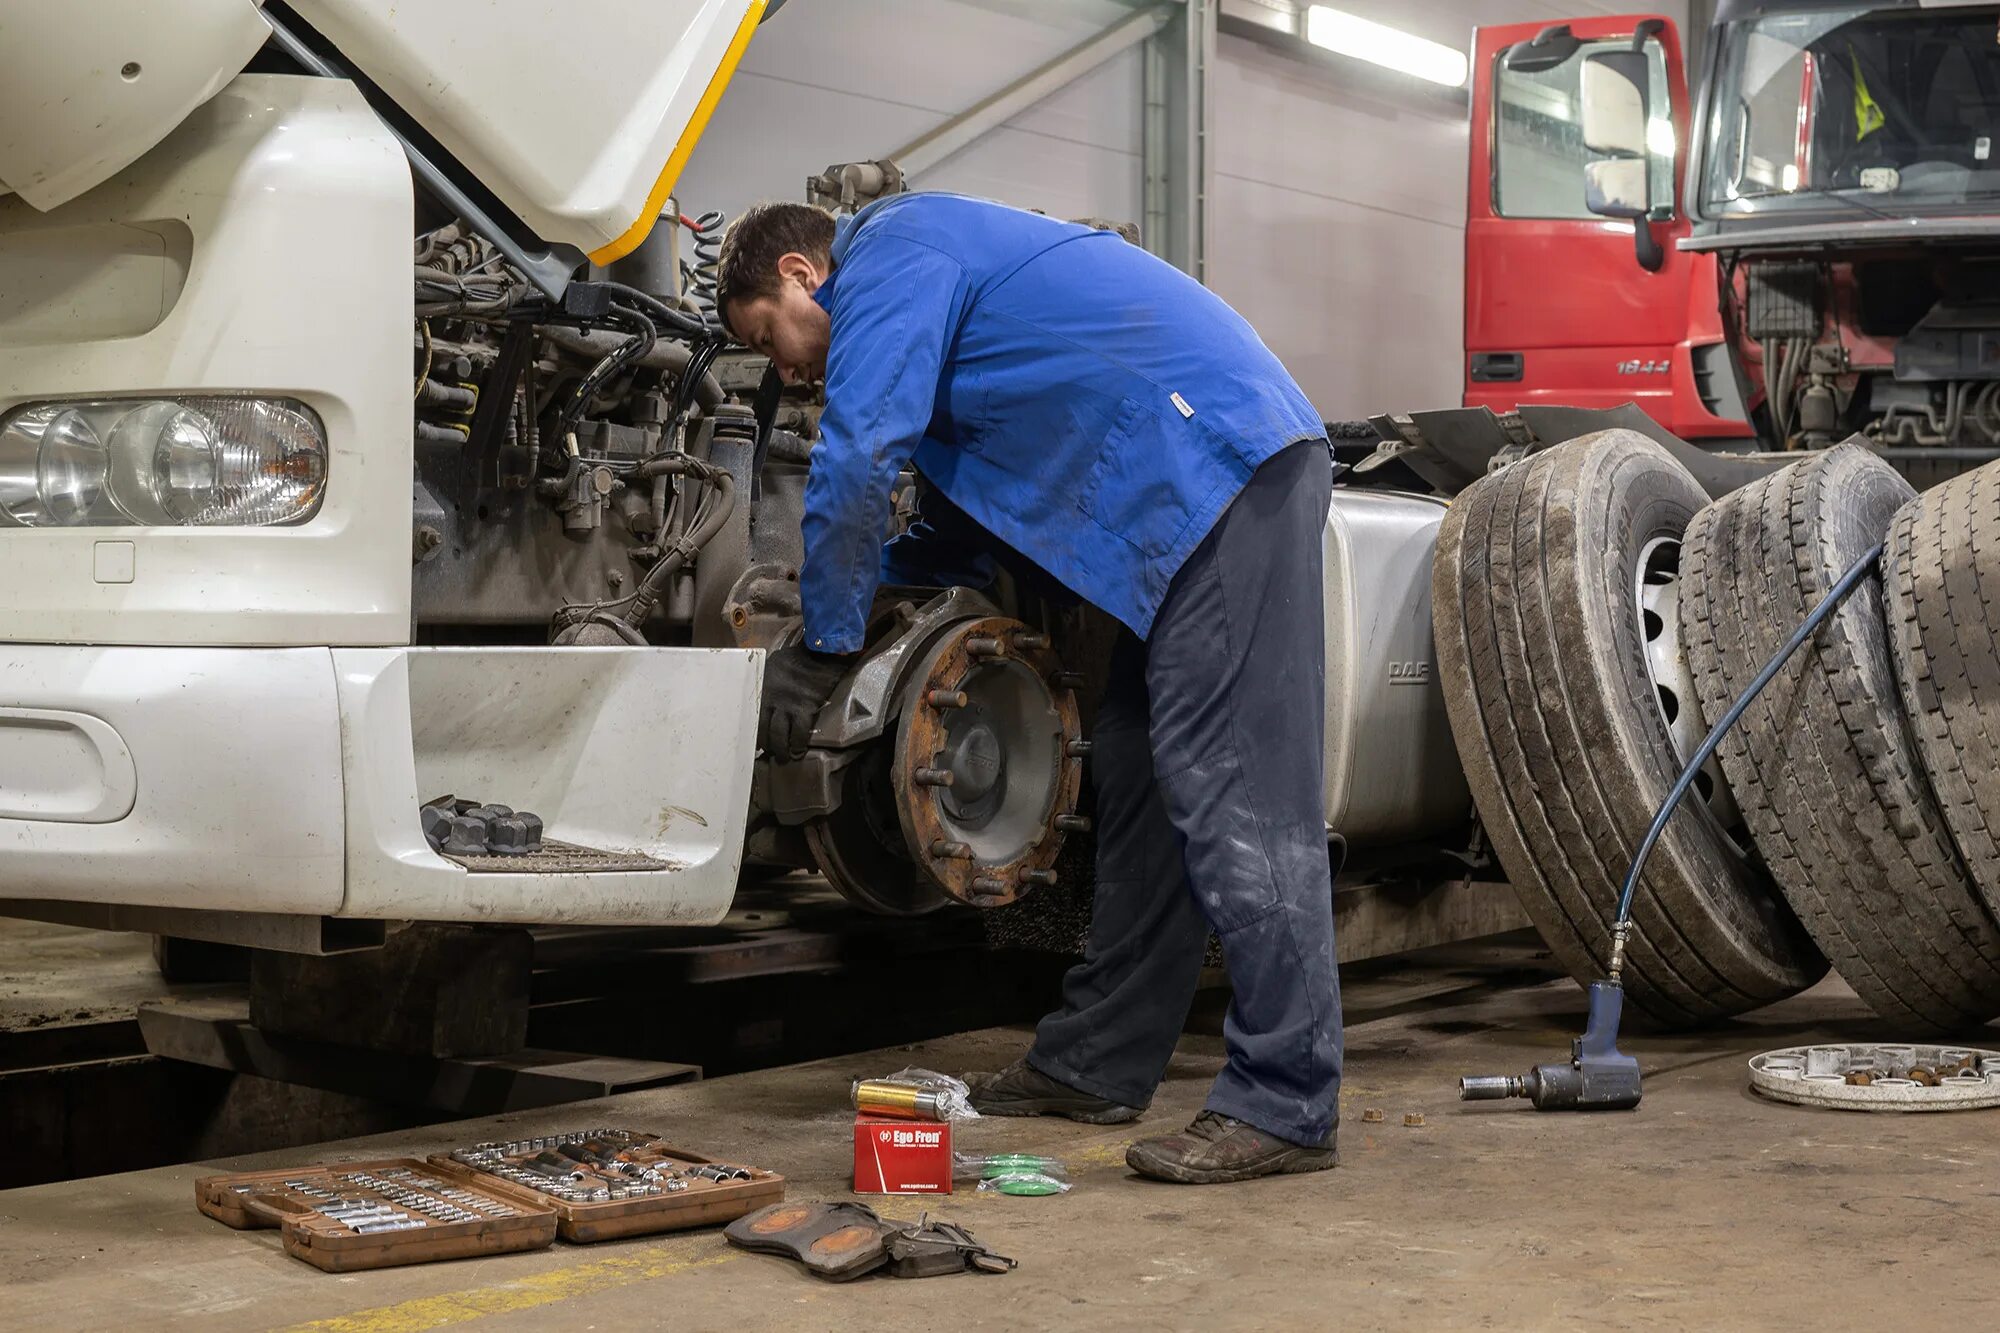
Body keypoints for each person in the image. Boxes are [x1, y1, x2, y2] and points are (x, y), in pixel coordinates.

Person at [716, 192, 1340, 1185]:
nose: (786, 369)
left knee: (1234, 794)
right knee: (1139, 780)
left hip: (1214, 464)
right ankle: (1096, 1060)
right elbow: (955, 534)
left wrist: (828, 641)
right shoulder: (934, 300)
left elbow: (859, 454)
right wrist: (860, 603)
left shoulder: (886, 251)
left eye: (769, 336)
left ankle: (1287, 1097)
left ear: (800, 274)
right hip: (1167, 502)